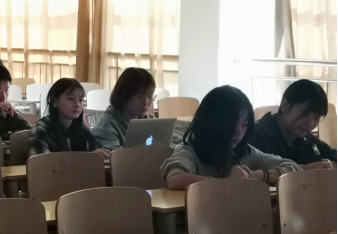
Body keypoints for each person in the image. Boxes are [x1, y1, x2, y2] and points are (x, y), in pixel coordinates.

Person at [161, 86, 300, 190]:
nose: (239, 132)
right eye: (232, 124)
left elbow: (293, 168)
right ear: (212, 122)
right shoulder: (190, 150)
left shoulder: (245, 152)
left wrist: (258, 175)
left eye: (245, 124)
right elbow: (175, 179)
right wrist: (226, 182)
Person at [251, 80, 336, 168]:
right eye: (305, 114)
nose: (310, 124)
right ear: (285, 105)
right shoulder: (255, 136)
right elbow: (248, 173)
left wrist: (329, 165)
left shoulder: (308, 139)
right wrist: (308, 169)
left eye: (316, 118)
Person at [29, 78, 110, 158]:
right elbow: (41, 164)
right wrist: (86, 158)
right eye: (71, 99)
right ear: (54, 102)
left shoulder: (84, 130)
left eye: (81, 100)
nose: (77, 104)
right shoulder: (40, 131)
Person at [92, 68, 157, 150]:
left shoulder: (151, 121)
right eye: (139, 96)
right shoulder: (106, 126)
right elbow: (115, 155)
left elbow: (172, 143)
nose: (146, 102)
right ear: (123, 95)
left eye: (150, 96)